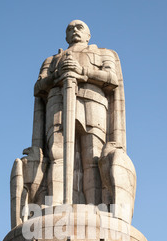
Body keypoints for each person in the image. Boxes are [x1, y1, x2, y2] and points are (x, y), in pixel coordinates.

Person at [32, 20, 126, 206]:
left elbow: (112, 78)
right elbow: (38, 87)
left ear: (88, 35)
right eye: (69, 28)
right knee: (56, 153)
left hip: (92, 104)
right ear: (66, 36)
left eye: (79, 27)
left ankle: (94, 205)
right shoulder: (51, 60)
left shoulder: (103, 54)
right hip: (58, 104)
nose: (74, 30)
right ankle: (56, 204)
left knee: (92, 156)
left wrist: (82, 71)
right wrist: (56, 76)